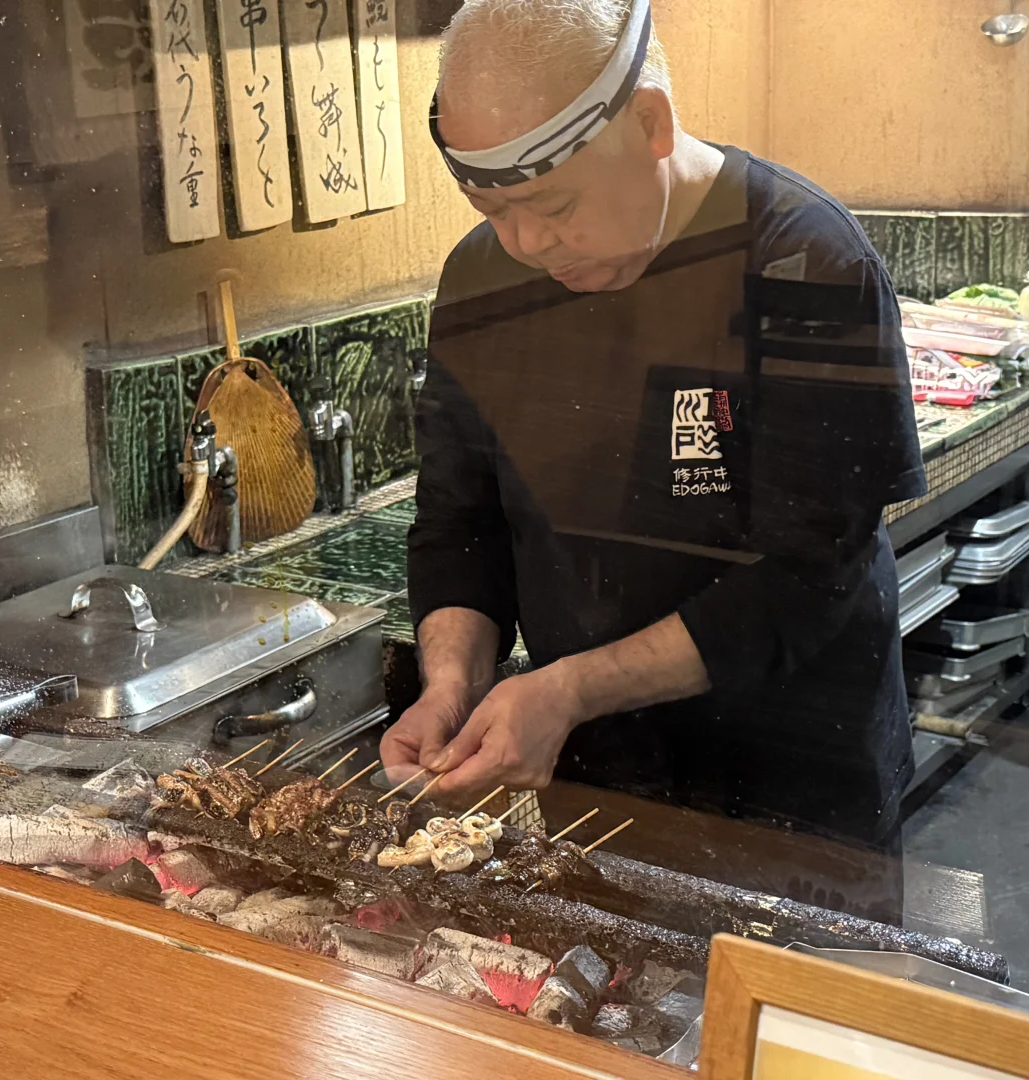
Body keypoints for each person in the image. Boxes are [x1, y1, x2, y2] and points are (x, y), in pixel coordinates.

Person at [380, 0, 925, 919]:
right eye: (492, 209)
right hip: (596, 787)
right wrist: (454, 681)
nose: (524, 244)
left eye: (552, 207)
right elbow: (459, 525)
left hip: (794, 793)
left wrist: (564, 690)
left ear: (649, 122)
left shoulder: (805, 263)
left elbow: (802, 580)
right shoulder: (482, 282)